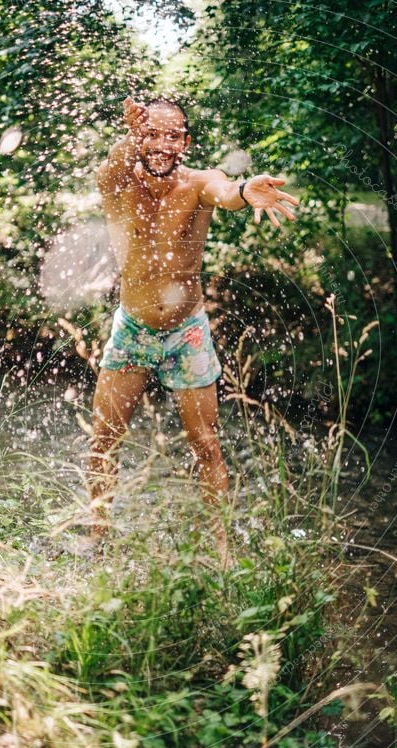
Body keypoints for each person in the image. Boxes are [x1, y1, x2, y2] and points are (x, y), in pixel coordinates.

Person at [88, 95, 298, 558]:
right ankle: (97, 538)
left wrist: (245, 192)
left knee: (207, 446)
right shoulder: (118, 181)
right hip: (134, 329)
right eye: (152, 134)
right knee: (104, 440)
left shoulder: (200, 183)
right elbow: (113, 164)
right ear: (138, 136)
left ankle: (221, 552)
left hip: (188, 332)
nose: (163, 144)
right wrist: (129, 136)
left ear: (186, 141)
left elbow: (227, 192)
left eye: (173, 135)